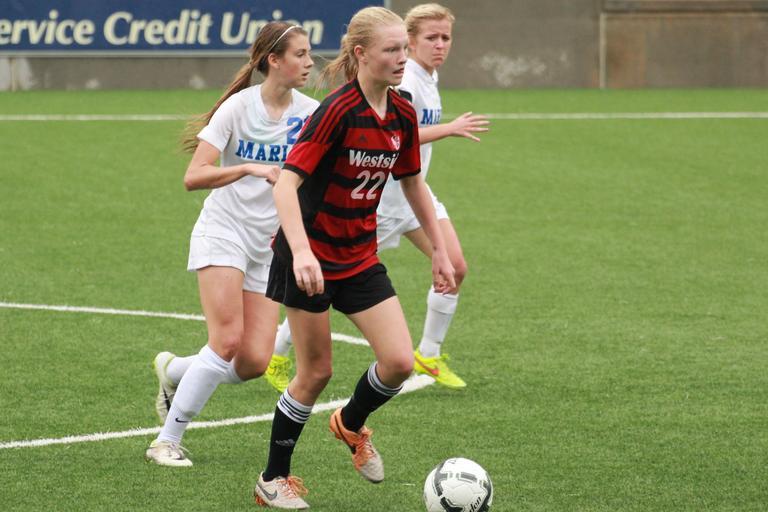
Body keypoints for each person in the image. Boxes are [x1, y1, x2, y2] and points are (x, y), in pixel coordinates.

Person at [252, 6, 456, 509]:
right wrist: (302, 253)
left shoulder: (402, 112)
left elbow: (413, 183)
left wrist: (439, 250)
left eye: (404, 48)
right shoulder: (337, 111)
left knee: (399, 361)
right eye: (392, 49)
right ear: (361, 54)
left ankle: (350, 422)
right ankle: (272, 479)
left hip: (359, 256)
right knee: (315, 373)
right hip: (309, 259)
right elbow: (286, 186)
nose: (403, 58)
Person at [264, 3, 488, 393]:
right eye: (430, 38)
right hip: (374, 202)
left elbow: (406, 153)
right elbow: (398, 136)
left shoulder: (426, 79)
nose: (439, 45)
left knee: (454, 264)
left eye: (446, 38)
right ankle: (278, 352)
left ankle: (429, 353)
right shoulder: (401, 82)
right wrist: (449, 128)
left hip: (412, 191)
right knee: (322, 281)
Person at [144, 22, 319, 467]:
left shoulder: (312, 113)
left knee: (254, 362)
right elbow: (194, 176)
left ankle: (173, 370)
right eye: (300, 54)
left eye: (309, 53)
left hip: (269, 246)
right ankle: (165, 441)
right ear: (274, 60)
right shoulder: (237, 108)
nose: (309, 62)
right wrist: (245, 169)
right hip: (224, 230)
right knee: (225, 341)